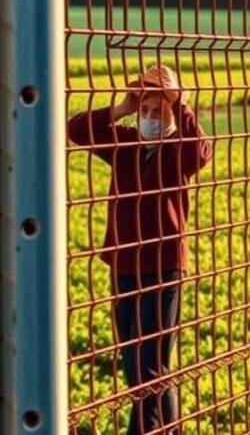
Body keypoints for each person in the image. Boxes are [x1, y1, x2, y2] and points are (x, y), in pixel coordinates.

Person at [67, 64, 212, 434]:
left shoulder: (177, 150)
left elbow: (200, 153)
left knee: (151, 361)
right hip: (124, 264)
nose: (148, 118)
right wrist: (121, 109)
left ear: (172, 114)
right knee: (135, 360)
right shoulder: (125, 145)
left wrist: (180, 106)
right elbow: (75, 129)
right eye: (144, 110)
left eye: (156, 111)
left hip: (162, 267)